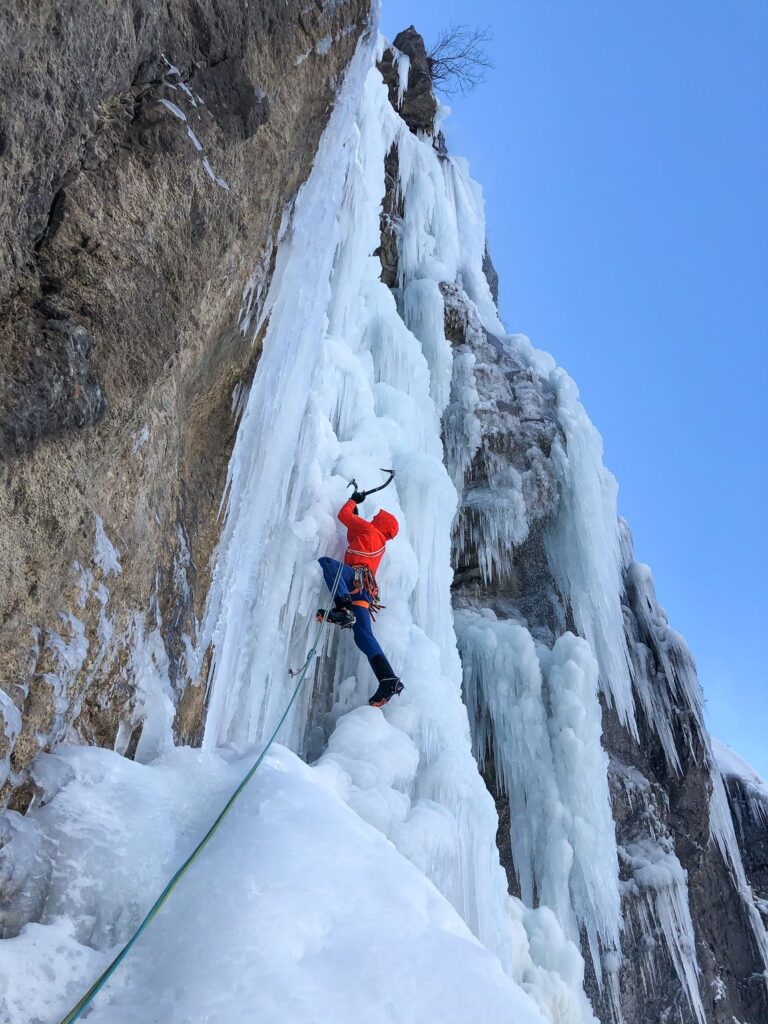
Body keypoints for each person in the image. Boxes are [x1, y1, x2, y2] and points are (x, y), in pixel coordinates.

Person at [318, 491, 404, 707]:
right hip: (364, 590)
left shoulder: (368, 529)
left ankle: (344, 610)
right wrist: (355, 516)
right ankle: (387, 678)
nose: (374, 518)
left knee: (329, 564)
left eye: (377, 517)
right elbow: (354, 539)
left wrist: (353, 501)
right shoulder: (379, 541)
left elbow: (343, 516)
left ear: (380, 523)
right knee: (363, 635)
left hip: (353, 580)